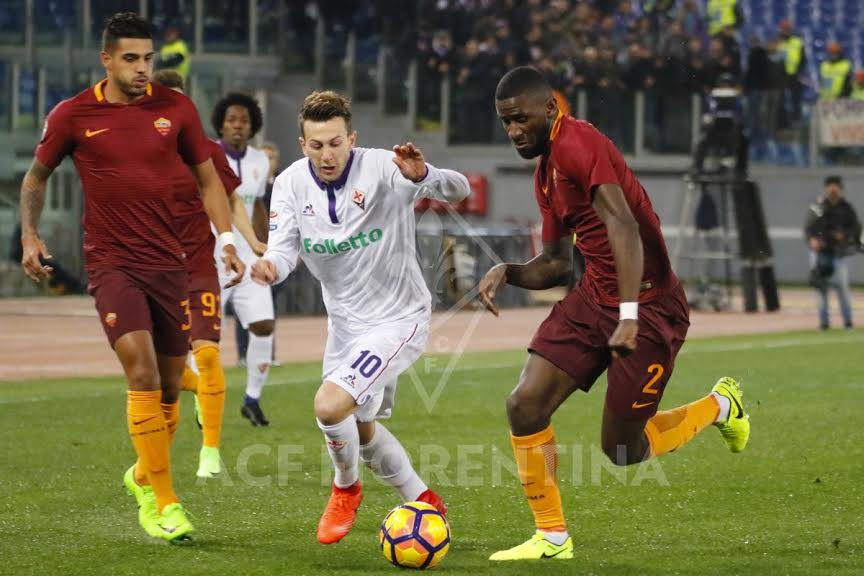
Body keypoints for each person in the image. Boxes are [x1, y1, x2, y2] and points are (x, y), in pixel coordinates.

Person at [479, 67, 751, 561]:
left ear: (549, 108)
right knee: (525, 404)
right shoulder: (546, 173)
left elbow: (622, 224)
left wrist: (628, 316)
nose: (513, 131)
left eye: (520, 119)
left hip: (649, 308)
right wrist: (508, 272)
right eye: (505, 122)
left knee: (623, 450)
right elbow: (557, 264)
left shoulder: (578, 143)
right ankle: (552, 537)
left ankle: (719, 406)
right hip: (593, 300)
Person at [19, 12, 243, 542]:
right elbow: (36, 177)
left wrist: (227, 240)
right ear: (107, 59)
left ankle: (142, 475)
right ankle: (164, 503)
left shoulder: (176, 109)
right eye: (131, 59)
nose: (142, 68)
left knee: (169, 387)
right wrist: (29, 235)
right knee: (141, 374)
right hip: (113, 265)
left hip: (171, 265)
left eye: (147, 58)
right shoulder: (73, 115)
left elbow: (208, 180)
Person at [251, 90, 469, 545]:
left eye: (335, 143)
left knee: (329, 406)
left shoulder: (385, 167)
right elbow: (283, 251)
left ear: (352, 138)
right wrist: (269, 267)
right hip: (346, 325)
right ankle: (424, 499)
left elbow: (459, 188)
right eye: (316, 145)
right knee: (361, 429)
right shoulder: (290, 184)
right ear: (302, 144)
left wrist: (424, 175)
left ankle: (345, 488)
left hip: (399, 317)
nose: (327, 155)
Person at [151, 69, 266, 478]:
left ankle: (210, 451)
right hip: (154, 270)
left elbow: (232, 201)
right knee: (159, 374)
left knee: (208, 353)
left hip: (201, 264)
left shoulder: (204, 150)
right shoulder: (134, 151)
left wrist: (245, 242)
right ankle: (200, 392)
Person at [211, 92, 276, 426]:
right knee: (205, 333)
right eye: (232, 120)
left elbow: (258, 205)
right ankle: (203, 400)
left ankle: (252, 399)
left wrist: (268, 246)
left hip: (250, 258)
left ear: (253, 126)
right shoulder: (205, 157)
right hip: (213, 258)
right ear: (221, 124)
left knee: (264, 325)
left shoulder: (259, 161)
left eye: (244, 121)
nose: (238, 126)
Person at [805, 176, 861, 330]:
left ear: (841, 189)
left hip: (838, 252)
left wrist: (845, 236)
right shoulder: (818, 207)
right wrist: (812, 239)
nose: (833, 189)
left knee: (842, 287)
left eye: (836, 186)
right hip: (820, 253)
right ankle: (824, 323)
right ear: (825, 188)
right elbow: (809, 228)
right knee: (821, 288)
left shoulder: (847, 208)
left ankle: (848, 322)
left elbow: (856, 228)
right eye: (830, 185)